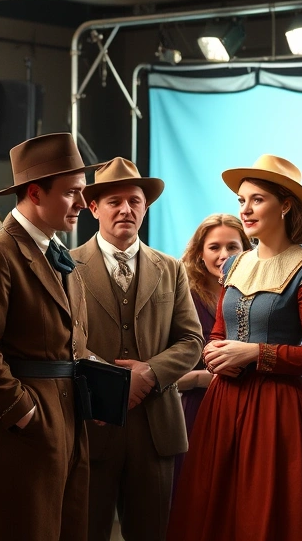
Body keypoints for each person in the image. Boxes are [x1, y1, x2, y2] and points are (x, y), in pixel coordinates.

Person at [168, 154, 302, 541]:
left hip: (278, 409)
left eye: (257, 199)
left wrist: (253, 354)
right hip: (224, 403)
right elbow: (218, 332)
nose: (245, 209)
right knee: (215, 510)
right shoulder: (234, 265)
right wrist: (215, 355)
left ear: (286, 205)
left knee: (264, 510)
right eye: (241, 200)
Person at [0, 132, 94, 541]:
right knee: (26, 528)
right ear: (35, 193)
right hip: (25, 421)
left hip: (68, 413)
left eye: (82, 191)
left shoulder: (56, 251)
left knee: (67, 526)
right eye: (71, 192)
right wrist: (23, 411)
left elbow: (72, 340)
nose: (83, 203)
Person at [71, 157, 202, 541]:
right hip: (91, 424)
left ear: (145, 208)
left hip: (155, 428)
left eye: (135, 201)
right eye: (114, 201)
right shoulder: (67, 266)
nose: (126, 209)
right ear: (93, 208)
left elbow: (191, 340)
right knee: (85, 531)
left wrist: (149, 372)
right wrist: (111, 386)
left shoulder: (171, 268)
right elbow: (63, 341)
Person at [172, 213, 251, 490]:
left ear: (247, 251)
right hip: (197, 411)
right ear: (199, 253)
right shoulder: (181, 299)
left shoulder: (256, 296)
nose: (224, 255)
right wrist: (200, 378)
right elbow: (158, 372)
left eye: (232, 247)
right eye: (214, 247)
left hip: (246, 410)